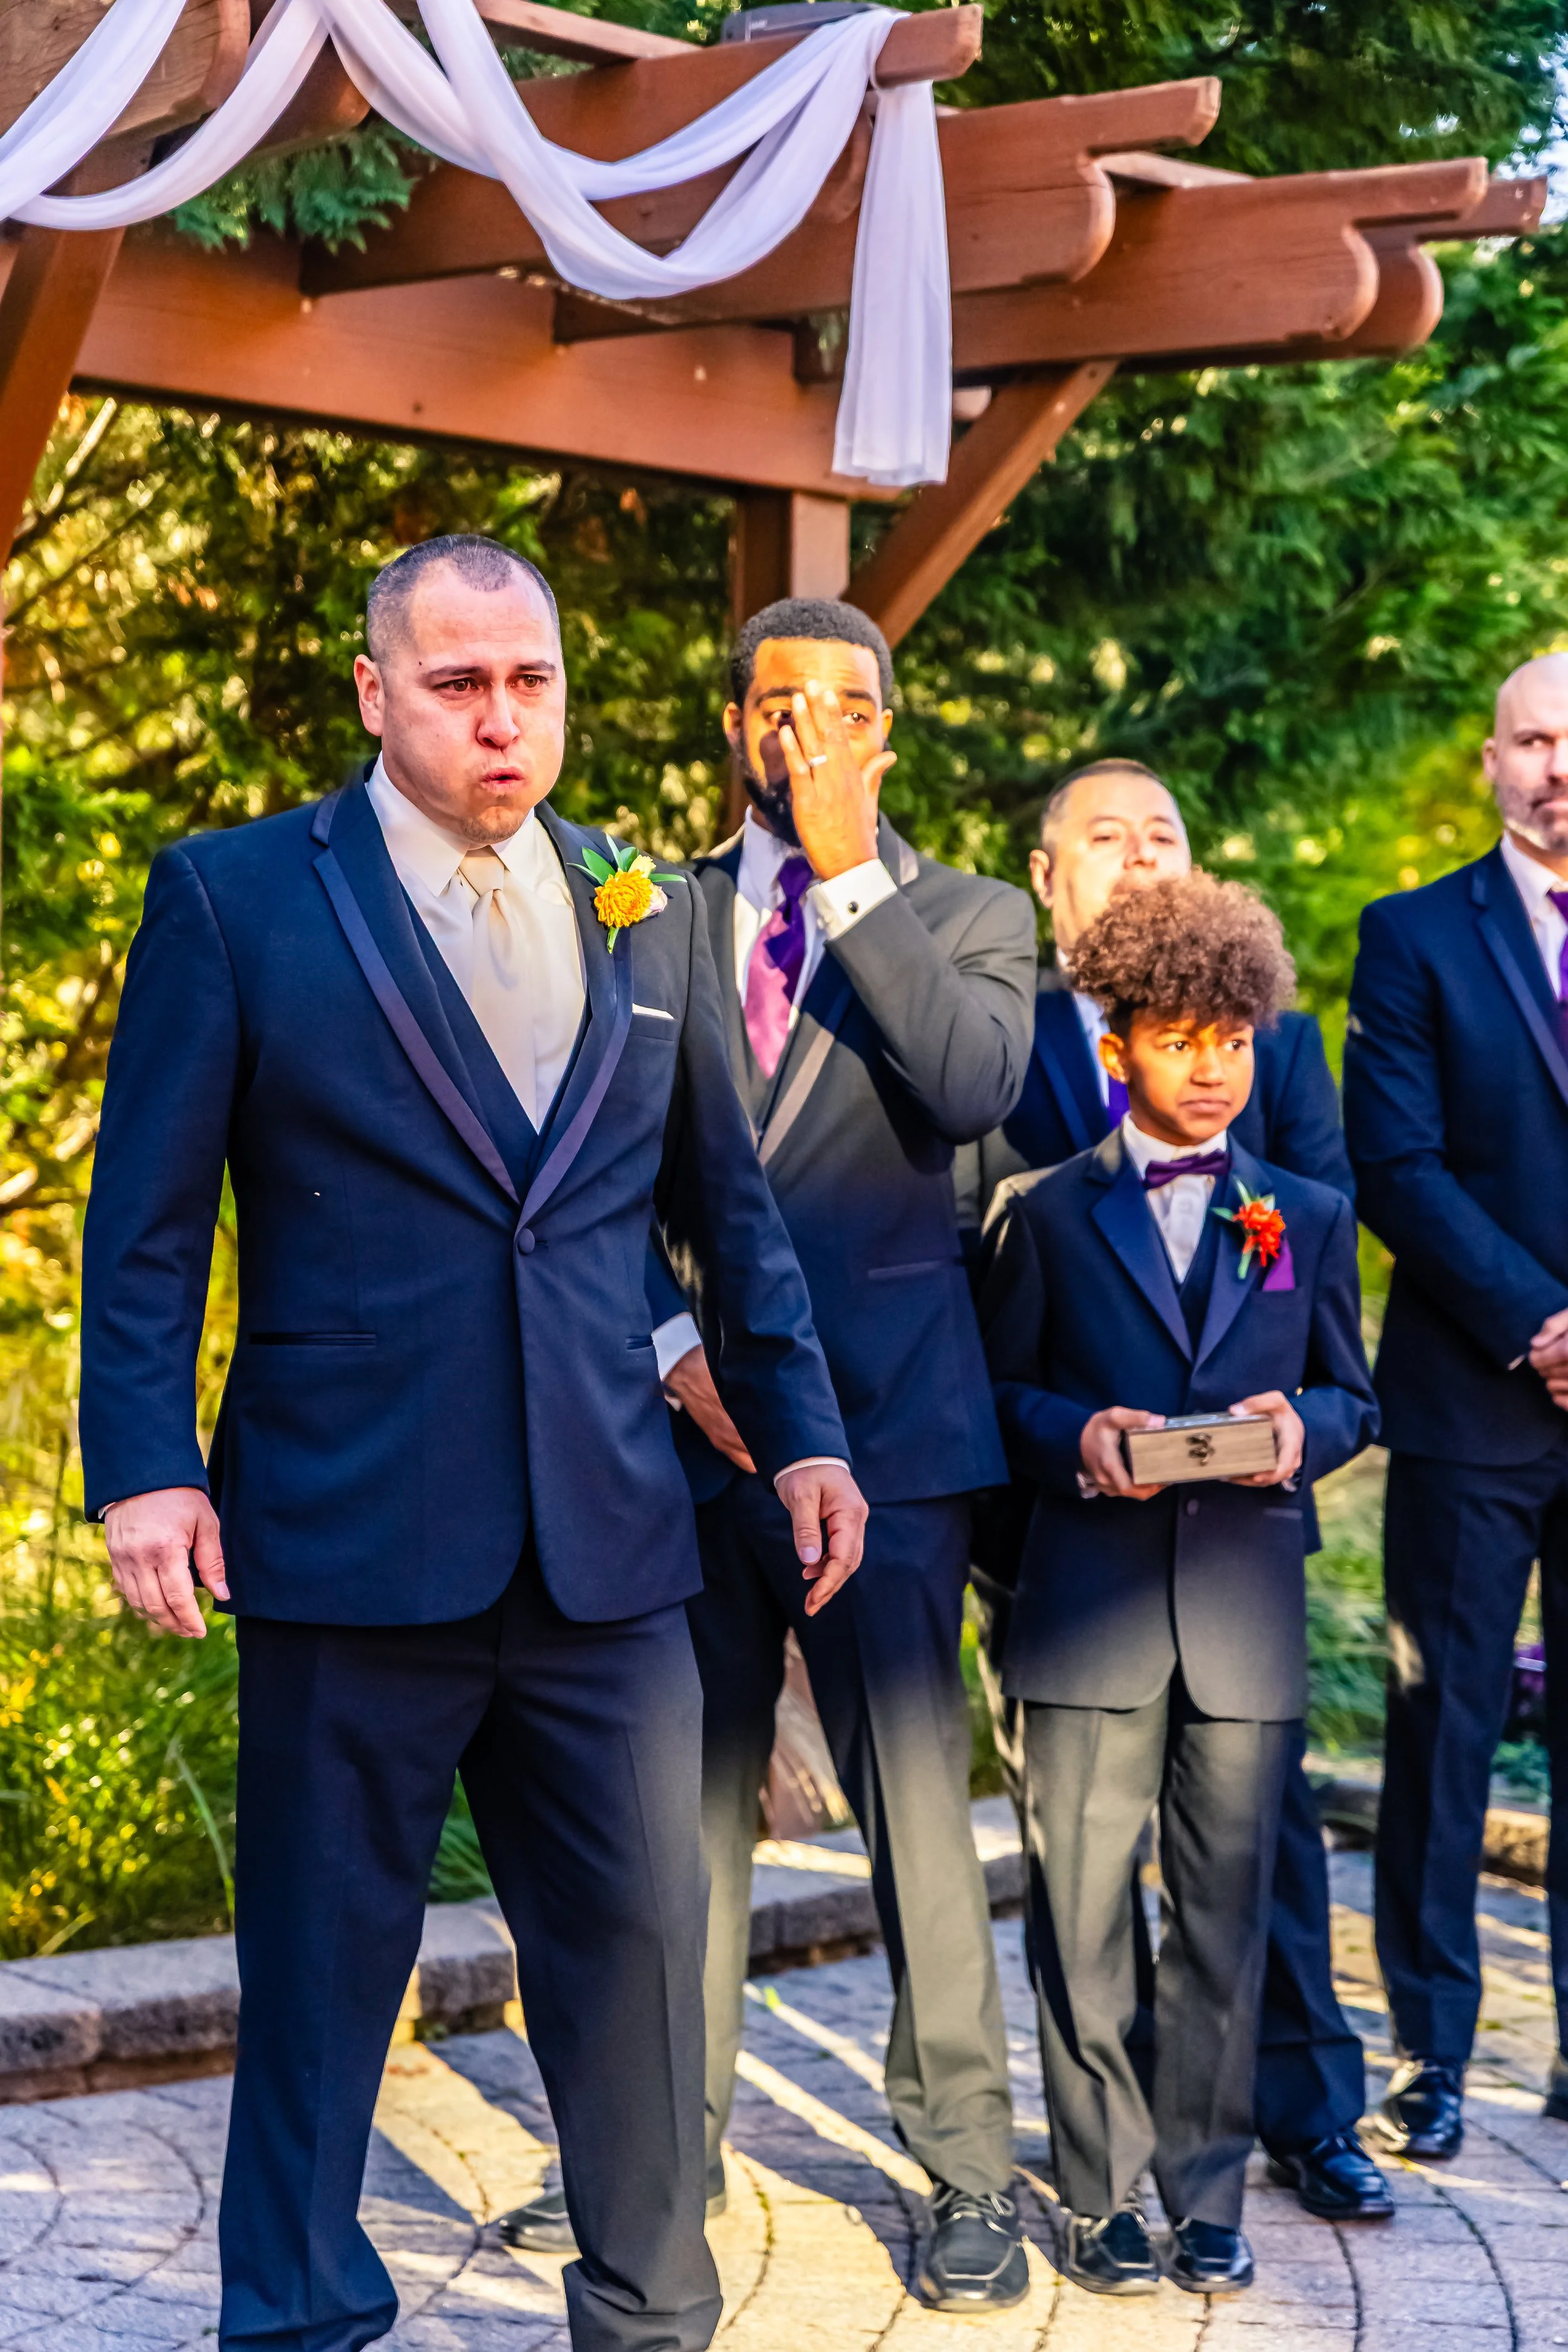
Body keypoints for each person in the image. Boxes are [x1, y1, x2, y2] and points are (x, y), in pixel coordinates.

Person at [78, 536, 867, 2352]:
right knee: (320, 1976)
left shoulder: (644, 906)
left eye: (531, 683)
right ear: (376, 691)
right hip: (349, 1537)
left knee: (644, 1972)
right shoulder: (238, 897)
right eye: (458, 683)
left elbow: (727, 1219)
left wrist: (803, 1434)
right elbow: (147, 1223)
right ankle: (294, 2316)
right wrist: (144, 1464)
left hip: (612, 1545)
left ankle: (649, 2314)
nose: (503, 718)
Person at [507, 596, 1038, 2310]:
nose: (808, 725)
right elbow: (584, 1165)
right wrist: (670, 1357)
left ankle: (965, 2170)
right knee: (682, 1817)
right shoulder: (638, 908)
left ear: (888, 726)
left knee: (916, 1819)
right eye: (779, 698)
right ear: (735, 720)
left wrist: (849, 872)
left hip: (894, 1447)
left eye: (846, 701)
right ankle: (667, 2145)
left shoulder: (970, 917)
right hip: (683, 1442)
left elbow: (967, 1089)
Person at [967, 758, 1388, 2224]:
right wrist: (1059, 1443)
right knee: (1080, 1891)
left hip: (1237, 1553)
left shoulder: (1276, 1102)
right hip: (1065, 1549)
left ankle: (1278, 2127)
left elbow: (1336, 1340)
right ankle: (1101, 2165)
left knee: (1247, 1879)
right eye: (1107, 838)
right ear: (1047, 876)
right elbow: (979, 1312)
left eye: (1164, 834)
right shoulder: (998, 1047)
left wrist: (1297, 1429)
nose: (1140, 857)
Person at [1345, 650, 1568, 2154]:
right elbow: (1394, 1164)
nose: (1557, 765)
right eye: (1533, 739)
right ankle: (1429, 2053)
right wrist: (1541, 1324)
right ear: (1487, 760)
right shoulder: (1413, 935)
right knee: (1444, 1732)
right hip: (1472, 1399)